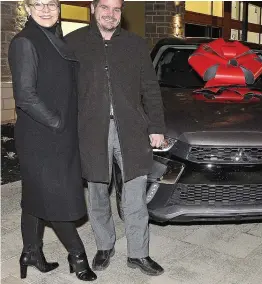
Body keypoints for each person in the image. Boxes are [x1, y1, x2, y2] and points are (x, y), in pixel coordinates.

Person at [65, 0, 166, 276]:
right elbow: (65, 91)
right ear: (93, 9)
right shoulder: (73, 43)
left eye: (117, 9)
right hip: (91, 130)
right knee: (98, 193)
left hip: (132, 130)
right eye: (105, 8)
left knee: (135, 195)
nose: (111, 14)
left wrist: (156, 126)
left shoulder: (135, 44)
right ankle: (104, 246)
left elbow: (150, 88)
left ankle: (138, 253)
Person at [8, 0, 97, 281]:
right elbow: (25, 96)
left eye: (52, 4)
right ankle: (77, 255)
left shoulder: (54, 38)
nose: (45, 9)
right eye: (38, 4)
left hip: (58, 133)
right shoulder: (25, 42)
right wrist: (57, 121)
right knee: (56, 196)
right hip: (42, 135)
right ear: (27, 7)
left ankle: (31, 252)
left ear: (59, 8)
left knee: (36, 193)